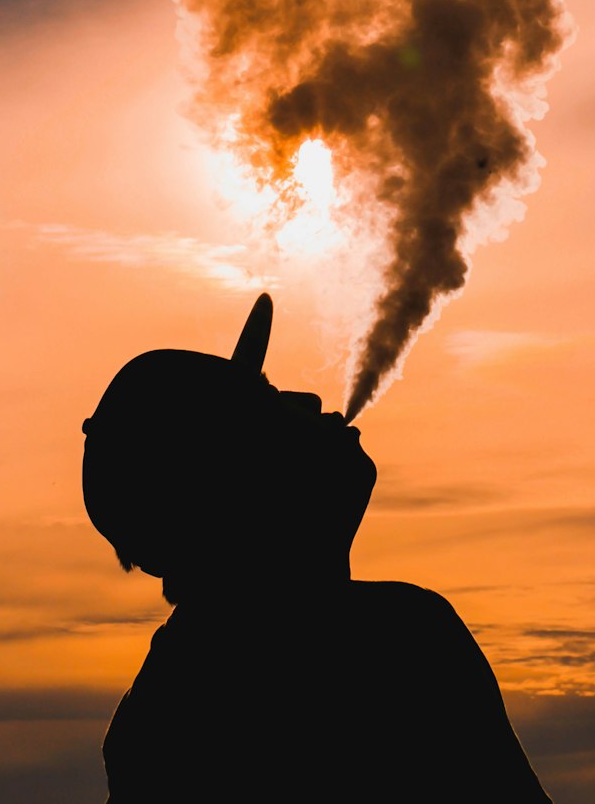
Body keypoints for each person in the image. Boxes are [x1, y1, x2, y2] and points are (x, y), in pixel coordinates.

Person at [82, 293, 552, 800]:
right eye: (266, 403)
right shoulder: (402, 642)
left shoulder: (168, 708)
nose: (306, 399)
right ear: (232, 481)